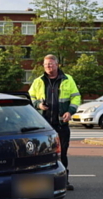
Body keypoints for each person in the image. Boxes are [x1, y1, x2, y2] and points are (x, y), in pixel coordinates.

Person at [28, 54, 81, 190]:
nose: (48, 67)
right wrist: (38, 105)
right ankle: (43, 182)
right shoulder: (38, 81)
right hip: (44, 125)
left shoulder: (68, 80)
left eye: (51, 64)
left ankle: (64, 181)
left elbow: (76, 98)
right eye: (46, 65)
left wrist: (70, 111)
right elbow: (31, 95)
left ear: (57, 65)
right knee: (43, 155)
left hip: (61, 124)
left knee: (62, 154)